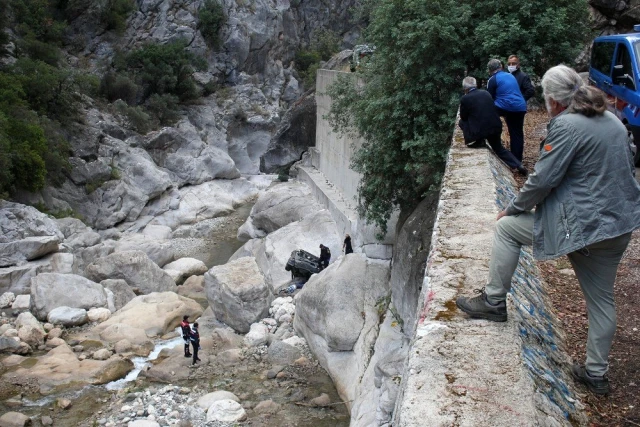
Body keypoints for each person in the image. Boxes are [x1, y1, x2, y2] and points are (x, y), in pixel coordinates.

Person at [456, 65, 640, 396]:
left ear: (553, 100)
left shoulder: (567, 125)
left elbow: (542, 180)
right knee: (601, 300)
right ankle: (596, 374)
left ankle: (494, 301)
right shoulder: (610, 117)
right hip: (619, 225)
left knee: (509, 229)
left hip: (585, 228)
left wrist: (512, 208)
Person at [459, 76, 528, 175]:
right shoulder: (486, 93)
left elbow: (464, 117)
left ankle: (477, 141)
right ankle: (518, 165)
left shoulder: (465, 98)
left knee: (462, 122)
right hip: (496, 126)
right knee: (499, 149)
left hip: (481, 130)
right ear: (475, 85)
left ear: (465, 89)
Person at [487, 58, 528, 162]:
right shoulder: (510, 76)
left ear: (489, 70)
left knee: (488, 114)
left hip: (504, 106)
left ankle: (494, 141)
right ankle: (517, 161)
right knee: (517, 133)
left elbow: (489, 98)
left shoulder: (492, 80)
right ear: (501, 67)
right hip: (520, 107)